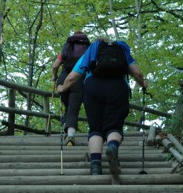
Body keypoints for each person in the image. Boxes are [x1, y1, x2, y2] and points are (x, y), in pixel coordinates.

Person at [57, 38, 148, 176]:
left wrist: (62, 88)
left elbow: (73, 76)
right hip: (118, 87)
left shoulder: (92, 50)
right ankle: (112, 146)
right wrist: (143, 84)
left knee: (95, 129)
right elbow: (137, 73)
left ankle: (95, 166)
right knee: (114, 127)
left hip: (93, 87)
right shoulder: (122, 50)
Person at [52, 31, 90, 146]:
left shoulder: (67, 47)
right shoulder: (88, 48)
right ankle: (70, 136)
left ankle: (67, 130)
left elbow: (55, 66)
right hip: (78, 80)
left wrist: (54, 76)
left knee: (68, 106)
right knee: (73, 108)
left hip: (63, 79)